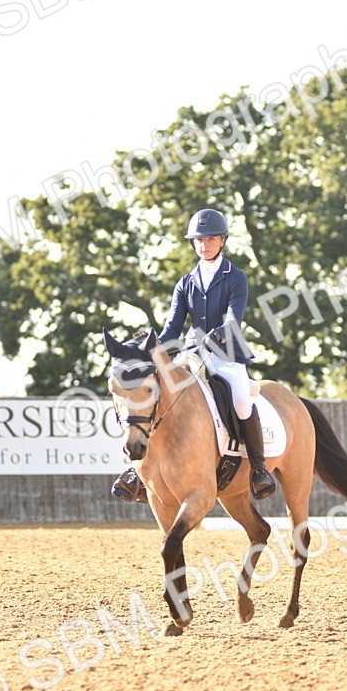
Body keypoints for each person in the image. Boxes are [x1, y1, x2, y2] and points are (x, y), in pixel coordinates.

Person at [112, 208, 277, 503]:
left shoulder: (236, 278)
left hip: (225, 353)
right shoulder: (185, 282)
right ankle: (137, 472)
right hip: (190, 354)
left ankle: (259, 468)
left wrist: (218, 334)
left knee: (240, 398)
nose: (205, 244)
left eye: (211, 239)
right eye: (199, 240)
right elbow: (172, 327)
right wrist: (149, 349)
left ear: (223, 240)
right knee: (157, 393)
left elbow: (233, 319)